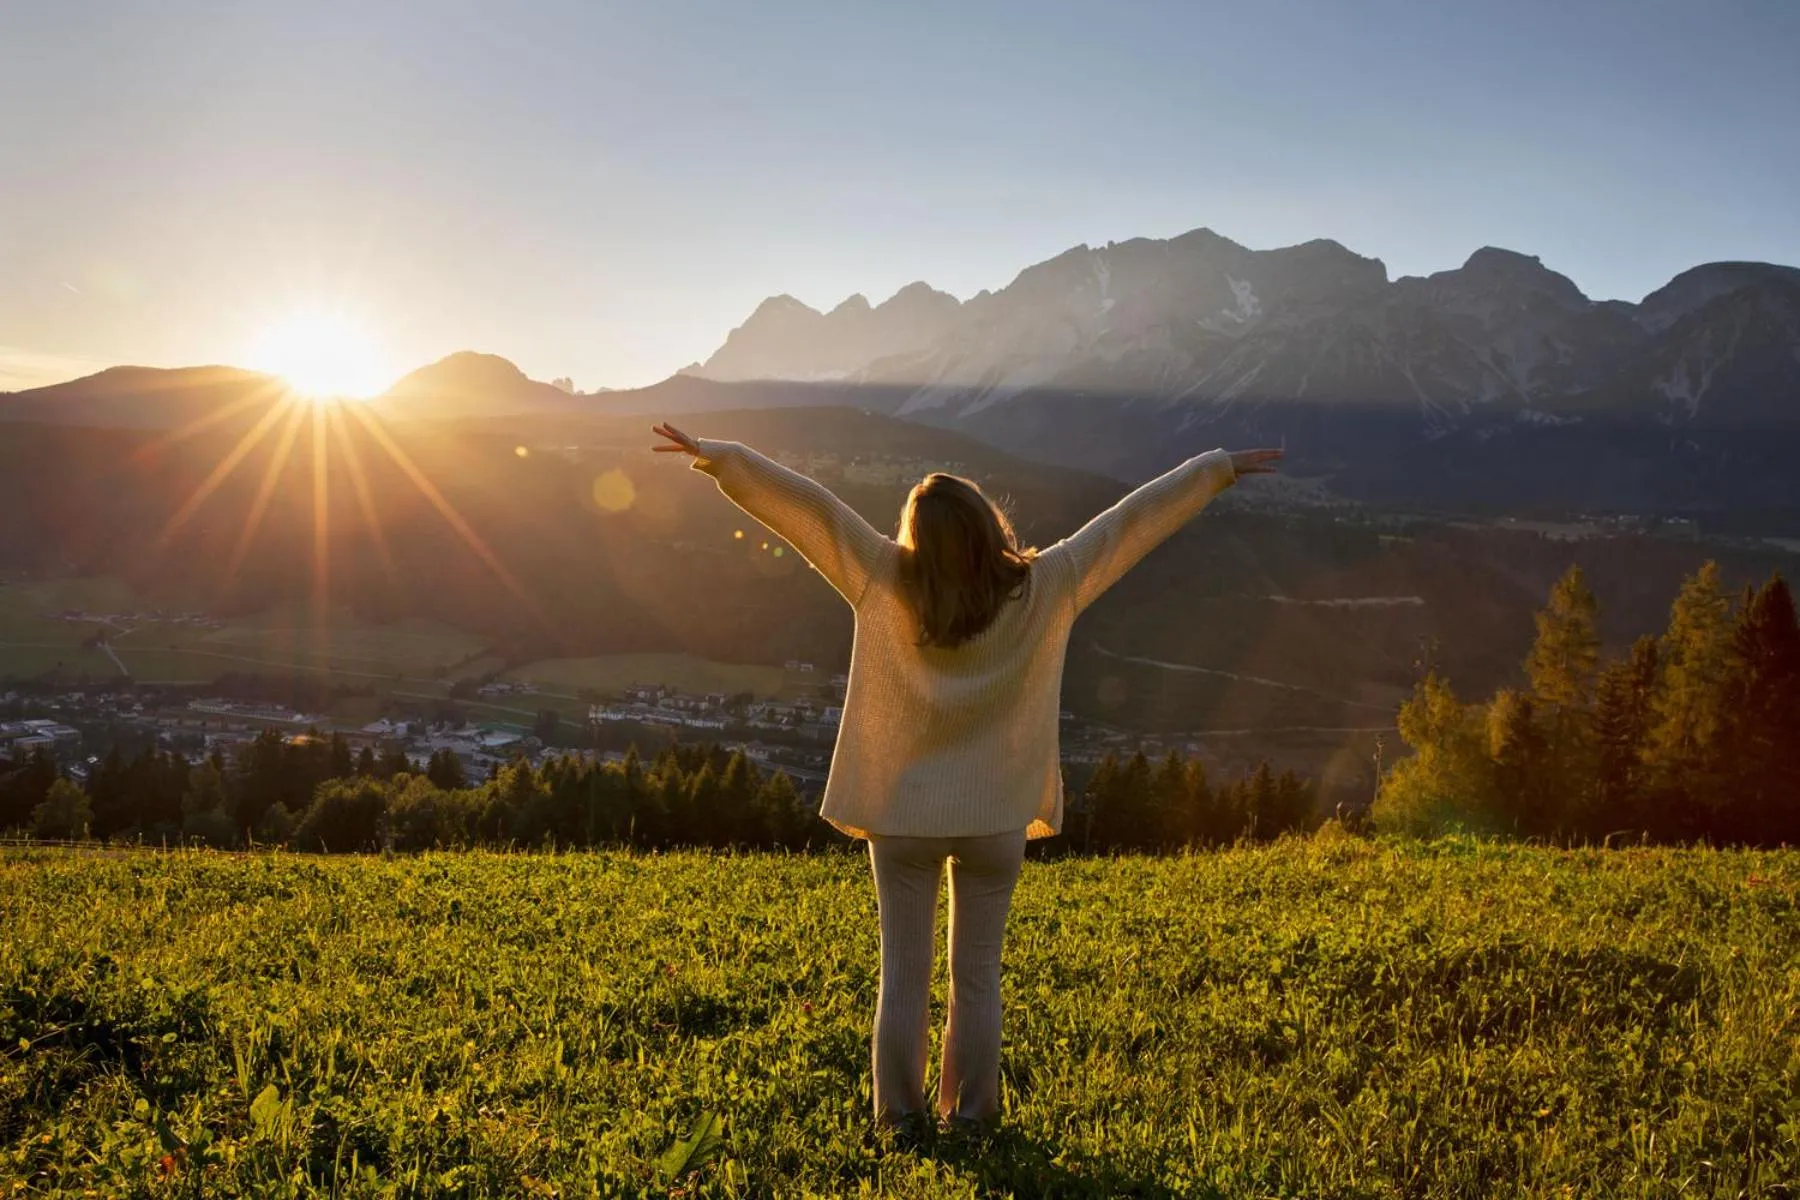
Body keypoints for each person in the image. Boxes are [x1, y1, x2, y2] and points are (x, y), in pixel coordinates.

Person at [653, 421, 1280, 1130]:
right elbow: (1129, 524)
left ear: (918, 536)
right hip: (994, 819)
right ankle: (974, 1119)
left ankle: (900, 1118)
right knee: (976, 980)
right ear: (987, 525)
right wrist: (1214, 469)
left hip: (901, 819)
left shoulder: (882, 575)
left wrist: (723, 459)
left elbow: (811, 510)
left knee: (903, 978)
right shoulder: (1049, 583)